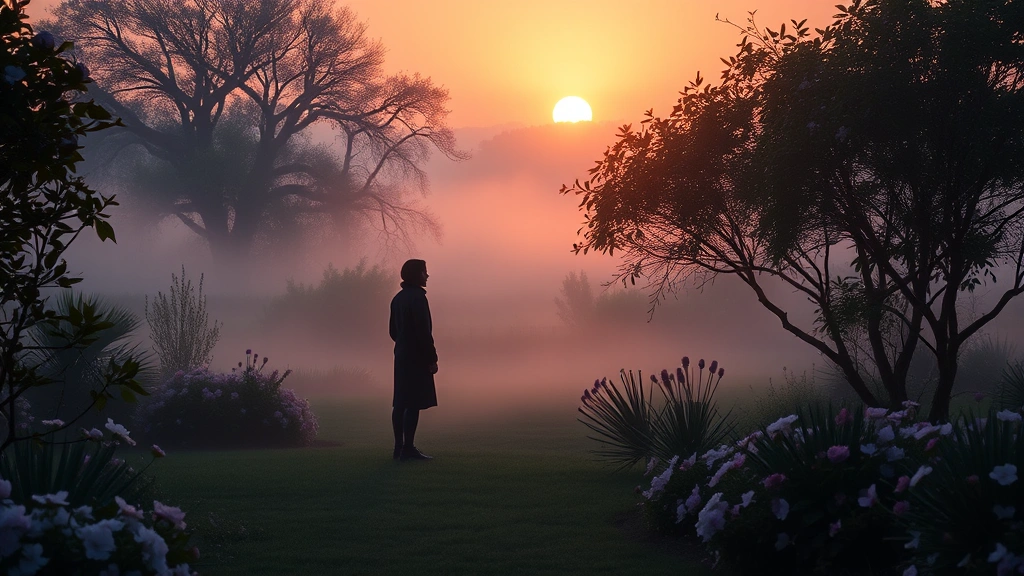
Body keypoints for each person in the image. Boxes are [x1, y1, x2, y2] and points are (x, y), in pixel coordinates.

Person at [389, 259, 438, 461]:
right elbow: (424, 333)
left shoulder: (397, 298)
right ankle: (408, 448)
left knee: (400, 402)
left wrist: (403, 343)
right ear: (416, 274)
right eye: (424, 272)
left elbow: (393, 332)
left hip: (401, 356)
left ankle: (398, 448)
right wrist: (431, 358)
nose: (427, 276)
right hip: (416, 357)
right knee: (413, 402)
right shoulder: (418, 298)